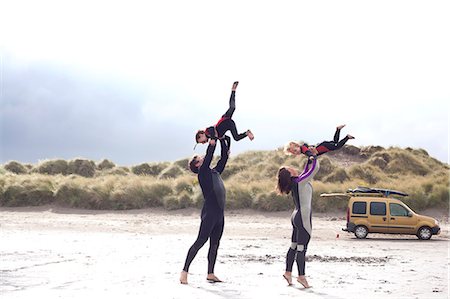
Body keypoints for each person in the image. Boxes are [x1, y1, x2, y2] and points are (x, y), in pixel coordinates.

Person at [180, 135, 231, 284]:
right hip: (209, 213)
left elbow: (223, 159)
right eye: (200, 159)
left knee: (215, 244)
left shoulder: (214, 172)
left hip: (220, 214)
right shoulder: (203, 173)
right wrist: (212, 141)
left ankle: (210, 273)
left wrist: (222, 140)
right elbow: (209, 155)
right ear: (197, 165)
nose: (203, 158)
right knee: (200, 241)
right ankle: (184, 271)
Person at [277, 156, 320, 288]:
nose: (294, 168)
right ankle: (301, 277)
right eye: (291, 169)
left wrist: (309, 159)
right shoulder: (300, 182)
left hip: (296, 216)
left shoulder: (297, 181)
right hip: (303, 217)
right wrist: (315, 157)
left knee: (294, 246)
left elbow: (307, 170)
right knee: (302, 248)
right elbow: (314, 169)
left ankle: (288, 273)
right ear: (290, 174)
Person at [195, 81, 254, 146]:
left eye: (201, 141)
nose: (203, 143)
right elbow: (228, 138)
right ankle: (247, 133)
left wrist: (212, 139)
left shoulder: (207, 131)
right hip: (230, 124)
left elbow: (211, 129)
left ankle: (233, 90)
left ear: (201, 135)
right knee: (236, 138)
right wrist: (228, 149)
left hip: (225, 119)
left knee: (232, 107)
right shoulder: (214, 137)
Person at [285, 125, 354, 158]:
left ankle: (347, 137)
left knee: (337, 146)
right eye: (294, 153)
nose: (295, 152)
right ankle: (338, 129)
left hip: (324, 147)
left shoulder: (303, 149)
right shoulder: (304, 148)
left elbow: (308, 152)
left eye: (295, 150)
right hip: (323, 145)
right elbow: (308, 149)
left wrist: (311, 156)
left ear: (297, 145)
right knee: (335, 142)